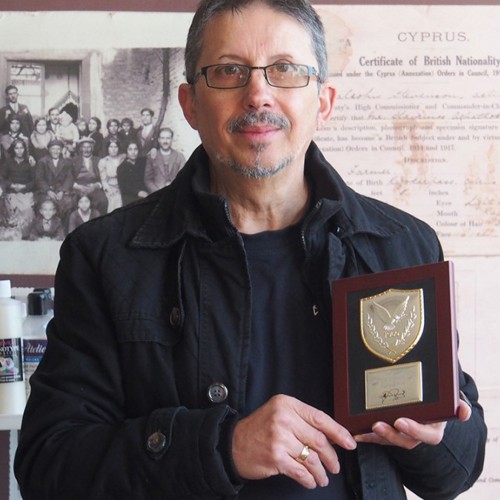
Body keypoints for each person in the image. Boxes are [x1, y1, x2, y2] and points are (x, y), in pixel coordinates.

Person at [15, 1, 486, 499]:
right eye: (228, 71)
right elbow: (50, 467)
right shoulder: (107, 257)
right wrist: (221, 446)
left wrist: (435, 437)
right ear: (191, 103)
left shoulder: (402, 244)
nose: (258, 93)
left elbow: (456, 470)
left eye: (284, 70)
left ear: (323, 102)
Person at [34, 138, 74, 229]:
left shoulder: (67, 162)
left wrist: (62, 191)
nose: (56, 151)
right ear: (49, 150)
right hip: (46, 191)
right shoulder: (42, 161)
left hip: (61, 191)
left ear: (61, 150)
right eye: (53, 149)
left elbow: (69, 178)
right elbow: (39, 179)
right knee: (45, 203)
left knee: (69, 203)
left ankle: (64, 229)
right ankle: (44, 230)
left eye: (58, 149)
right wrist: (48, 190)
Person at [0, 138, 35, 238]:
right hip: (11, 192)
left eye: (21, 148)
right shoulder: (8, 163)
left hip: (25, 192)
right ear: (13, 150)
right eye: (17, 148)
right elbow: (1, 178)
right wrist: (11, 185)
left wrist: (24, 186)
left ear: (25, 149)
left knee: (27, 209)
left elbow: (35, 180)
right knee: (12, 209)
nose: (19, 151)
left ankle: (24, 234)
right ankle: (13, 234)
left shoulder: (29, 162)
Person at [72, 137, 108, 216]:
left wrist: (96, 186)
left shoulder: (99, 160)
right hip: (78, 187)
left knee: (103, 201)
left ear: (92, 148)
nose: (86, 150)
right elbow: (69, 177)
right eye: (84, 147)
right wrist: (77, 187)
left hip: (93, 187)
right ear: (81, 149)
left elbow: (103, 178)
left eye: (89, 147)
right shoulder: (74, 160)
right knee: (73, 202)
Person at [144, 127, 186, 193]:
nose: (165, 141)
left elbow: (184, 177)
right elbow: (148, 180)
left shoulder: (180, 156)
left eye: (168, 138)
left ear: (172, 139)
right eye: (162, 138)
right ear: (159, 140)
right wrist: (157, 192)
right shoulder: (151, 157)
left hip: (176, 193)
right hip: (157, 195)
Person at [97, 138, 125, 212]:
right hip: (111, 187)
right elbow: (103, 180)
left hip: (123, 186)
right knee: (115, 201)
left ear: (118, 148)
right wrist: (109, 190)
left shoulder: (123, 158)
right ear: (107, 149)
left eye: (115, 147)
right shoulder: (103, 161)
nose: (113, 149)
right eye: (111, 147)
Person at [116, 140, 148, 206]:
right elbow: (124, 187)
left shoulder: (143, 161)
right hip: (130, 196)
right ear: (126, 151)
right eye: (130, 149)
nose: (133, 152)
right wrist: (138, 192)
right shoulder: (121, 167)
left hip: (145, 192)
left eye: (135, 149)